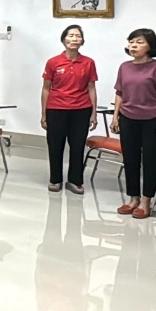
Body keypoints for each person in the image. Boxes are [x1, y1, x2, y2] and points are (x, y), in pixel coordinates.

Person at [111, 29, 156, 220]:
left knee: (151, 161)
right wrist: (115, 117)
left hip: (153, 120)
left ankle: (146, 201)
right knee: (130, 159)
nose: (134, 45)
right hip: (128, 118)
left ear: (150, 46)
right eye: (131, 41)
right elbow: (119, 93)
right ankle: (133, 199)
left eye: (139, 42)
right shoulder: (124, 67)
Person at [41, 24, 98, 194]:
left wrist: (94, 113)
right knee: (55, 145)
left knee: (78, 146)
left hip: (81, 109)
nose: (74, 39)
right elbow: (46, 88)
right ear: (64, 39)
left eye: (78, 36)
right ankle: (55, 179)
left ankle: (75, 181)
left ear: (82, 41)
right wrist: (44, 113)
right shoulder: (53, 62)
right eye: (71, 35)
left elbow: (91, 88)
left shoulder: (88, 62)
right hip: (56, 108)